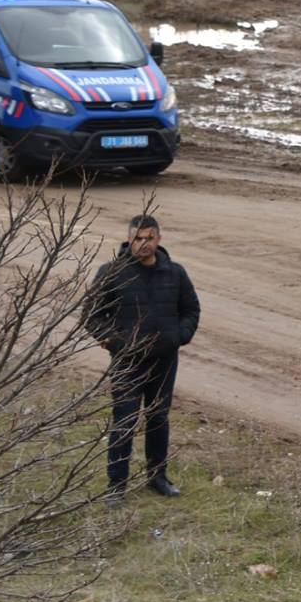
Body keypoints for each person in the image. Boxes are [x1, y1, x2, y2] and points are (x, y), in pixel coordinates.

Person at [86, 213, 200, 502]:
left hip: (164, 360)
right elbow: (92, 315)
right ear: (129, 239)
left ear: (159, 239)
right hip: (128, 362)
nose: (143, 244)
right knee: (124, 421)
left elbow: (191, 309)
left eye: (149, 238)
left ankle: (157, 477)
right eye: (138, 238)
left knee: (158, 418)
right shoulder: (111, 272)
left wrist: (179, 336)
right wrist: (115, 343)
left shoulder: (175, 273)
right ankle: (116, 487)